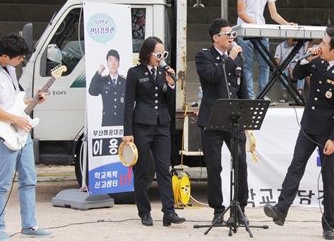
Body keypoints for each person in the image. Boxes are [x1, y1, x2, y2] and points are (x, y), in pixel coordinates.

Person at [264, 28, 334, 241]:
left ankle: (329, 225)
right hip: (308, 127)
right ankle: (281, 209)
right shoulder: (318, 60)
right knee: (296, 166)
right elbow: (296, 74)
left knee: (328, 179)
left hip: (328, 133)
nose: (319, 45)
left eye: (324, 43)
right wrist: (306, 59)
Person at [0, 33, 52, 239]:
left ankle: (29, 225)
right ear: (6, 55)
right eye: (18, 57)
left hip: (19, 131)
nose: (21, 61)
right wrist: (15, 120)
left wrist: (33, 100)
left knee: (29, 179)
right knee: (2, 182)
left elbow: (15, 103)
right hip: (1, 134)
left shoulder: (10, 69)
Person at [122, 37, 184, 227]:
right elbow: (128, 103)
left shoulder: (163, 71)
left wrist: (171, 84)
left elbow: (169, 101)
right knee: (141, 171)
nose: (161, 57)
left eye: (163, 54)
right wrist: (127, 131)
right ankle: (144, 211)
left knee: (164, 168)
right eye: (158, 54)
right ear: (148, 54)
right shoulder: (135, 73)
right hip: (141, 125)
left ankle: (169, 211)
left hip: (161, 124)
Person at [195, 18, 249, 224]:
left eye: (232, 34)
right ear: (215, 37)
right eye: (227, 34)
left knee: (241, 163)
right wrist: (229, 58)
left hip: (234, 120)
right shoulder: (204, 56)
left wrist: (245, 119)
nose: (231, 38)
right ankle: (218, 210)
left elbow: (242, 89)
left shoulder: (237, 58)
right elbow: (212, 76)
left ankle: (240, 209)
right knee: (214, 166)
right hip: (212, 120)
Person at [236, 0, 296, 99]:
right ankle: (250, 97)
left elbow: (273, 13)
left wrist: (286, 24)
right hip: (246, 30)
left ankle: (263, 95)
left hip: (261, 31)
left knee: (264, 65)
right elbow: (241, 12)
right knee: (248, 65)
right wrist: (255, 25)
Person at [88, 49, 126, 126]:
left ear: (119, 63)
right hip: (107, 122)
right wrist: (98, 73)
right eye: (110, 60)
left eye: (115, 60)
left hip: (121, 121)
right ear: (107, 64)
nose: (113, 63)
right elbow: (92, 91)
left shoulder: (124, 81)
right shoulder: (103, 80)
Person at [274, 38, 305, 103]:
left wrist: (294, 70)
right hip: (286, 68)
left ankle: (299, 96)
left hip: (297, 68)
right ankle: (284, 96)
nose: (297, 39)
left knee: (302, 71)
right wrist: (289, 69)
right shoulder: (280, 46)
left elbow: (302, 61)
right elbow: (277, 64)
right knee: (282, 72)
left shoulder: (300, 46)